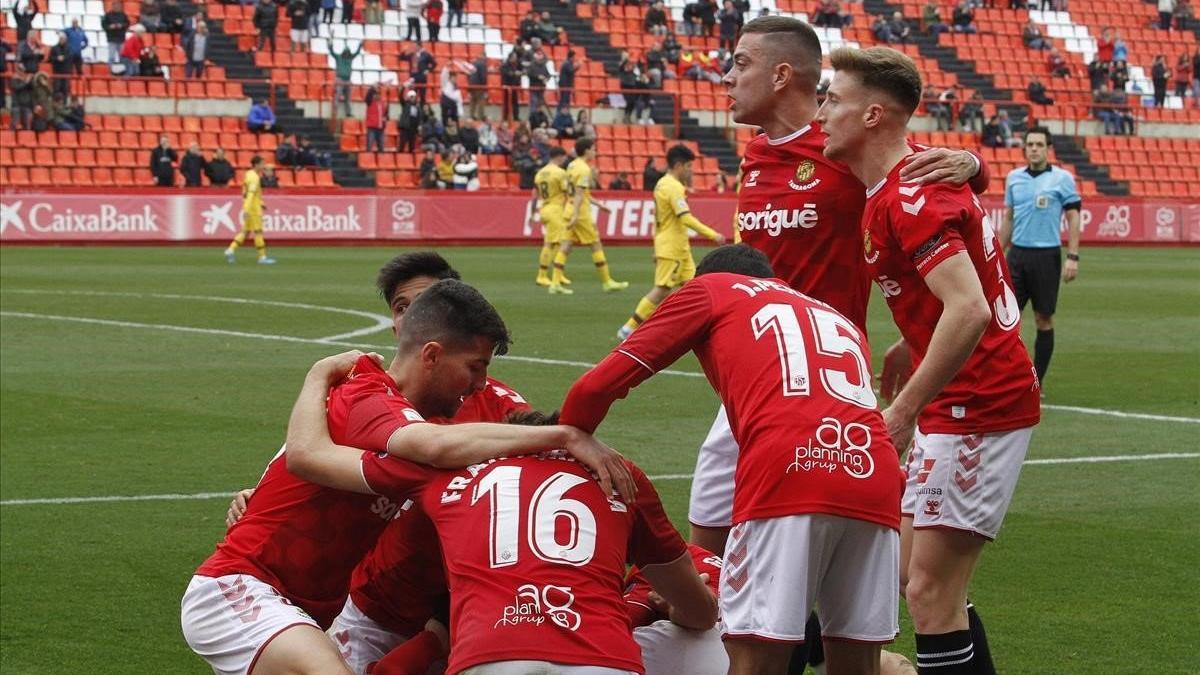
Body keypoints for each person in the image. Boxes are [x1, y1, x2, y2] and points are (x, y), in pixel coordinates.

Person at [182, 278, 635, 675]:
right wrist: (568, 436)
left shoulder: (417, 425)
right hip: (241, 586)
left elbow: (307, 459)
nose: (480, 384)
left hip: (309, 608)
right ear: (432, 355)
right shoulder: (369, 394)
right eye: (475, 367)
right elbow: (424, 448)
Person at [561, 244, 903, 675]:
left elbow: (597, 387)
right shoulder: (831, 314)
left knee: (756, 653)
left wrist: (568, 437)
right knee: (857, 660)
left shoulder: (712, 289)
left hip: (790, 471)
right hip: (874, 471)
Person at [817, 45, 1041, 675]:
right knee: (915, 581)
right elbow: (963, 282)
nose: (823, 110)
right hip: (958, 399)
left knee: (929, 592)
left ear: (873, 116)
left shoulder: (909, 197)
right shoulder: (909, 178)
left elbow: (967, 308)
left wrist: (904, 408)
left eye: (833, 99)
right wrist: (915, 334)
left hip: (979, 404)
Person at [284, 357, 715, 675]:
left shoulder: (446, 472)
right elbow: (699, 611)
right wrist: (663, 611)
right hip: (603, 659)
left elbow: (310, 458)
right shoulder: (619, 475)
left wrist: (318, 374)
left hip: (490, 656)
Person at [999, 127, 1080, 390]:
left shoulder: (1062, 179)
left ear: (1048, 148)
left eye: (1039, 144)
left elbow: (1073, 217)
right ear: (1024, 148)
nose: (1034, 148)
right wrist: (998, 253)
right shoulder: (1014, 178)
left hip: (1047, 255)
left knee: (1043, 319)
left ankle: (1037, 381)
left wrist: (1073, 256)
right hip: (1017, 256)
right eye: (1030, 144)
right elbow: (1009, 217)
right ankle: (1005, 378)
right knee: (1005, 320)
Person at [618, 144, 724, 340]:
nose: (691, 171)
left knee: (694, 286)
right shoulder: (672, 186)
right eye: (689, 167)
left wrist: (655, 246)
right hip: (673, 246)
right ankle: (628, 328)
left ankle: (692, 327)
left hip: (677, 246)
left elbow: (659, 218)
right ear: (679, 165)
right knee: (662, 289)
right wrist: (712, 234)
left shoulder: (662, 183)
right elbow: (685, 217)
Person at [550, 138, 630, 295]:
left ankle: (554, 283)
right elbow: (580, 194)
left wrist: (600, 205)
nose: (595, 151)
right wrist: (575, 216)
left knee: (565, 246)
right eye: (593, 149)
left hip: (569, 208)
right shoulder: (584, 169)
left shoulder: (572, 165)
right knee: (595, 244)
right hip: (580, 214)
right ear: (586, 150)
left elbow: (580, 193)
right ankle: (607, 282)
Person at [223, 155, 276, 264]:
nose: (264, 166)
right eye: (262, 164)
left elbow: (250, 193)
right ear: (256, 165)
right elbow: (250, 195)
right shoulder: (254, 178)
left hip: (252, 206)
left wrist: (261, 203)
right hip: (253, 209)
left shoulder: (249, 174)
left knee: (245, 232)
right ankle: (262, 257)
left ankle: (230, 250)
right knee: (258, 232)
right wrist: (246, 209)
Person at [532, 146, 571, 287]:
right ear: (559, 156)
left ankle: (555, 275)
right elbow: (567, 193)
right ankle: (545, 275)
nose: (565, 160)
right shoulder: (560, 173)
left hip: (544, 208)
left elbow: (534, 194)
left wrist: (532, 213)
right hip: (555, 209)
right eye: (564, 157)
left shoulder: (540, 173)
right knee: (559, 243)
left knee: (551, 242)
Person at [49, 32, 72, 99]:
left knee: (65, 89)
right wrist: (57, 58)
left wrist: (64, 58)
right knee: (56, 88)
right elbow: (50, 58)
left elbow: (70, 57)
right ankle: (55, 104)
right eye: (61, 39)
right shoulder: (54, 48)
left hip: (66, 71)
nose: (62, 40)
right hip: (57, 72)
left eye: (63, 39)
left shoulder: (69, 48)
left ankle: (64, 104)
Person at [364, 86, 387, 152]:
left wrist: (385, 119)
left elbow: (385, 114)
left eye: (378, 94)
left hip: (381, 128)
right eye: (375, 94)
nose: (377, 96)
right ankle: (368, 160)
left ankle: (381, 160)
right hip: (372, 127)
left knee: (381, 147)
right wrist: (372, 88)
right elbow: (367, 97)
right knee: (369, 146)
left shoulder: (382, 104)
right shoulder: (370, 102)